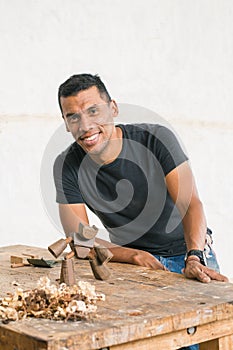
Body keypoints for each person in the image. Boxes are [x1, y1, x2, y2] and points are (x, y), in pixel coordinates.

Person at [54, 73, 228, 350]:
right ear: (66, 124)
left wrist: (194, 257)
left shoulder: (155, 138)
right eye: (73, 117)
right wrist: (132, 255)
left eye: (93, 111)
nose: (85, 126)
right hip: (133, 268)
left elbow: (191, 204)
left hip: (188, 258)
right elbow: (79, 239)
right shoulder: (67, 165)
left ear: (113, 108)